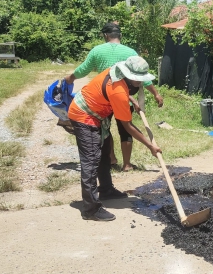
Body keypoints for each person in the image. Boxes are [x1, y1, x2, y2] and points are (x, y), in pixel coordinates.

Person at [68, 56, 162, 221]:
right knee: (91, 159)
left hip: (96, 114)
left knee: (104, 152)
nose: (140, 83)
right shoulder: (118, 90)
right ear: (130, 76)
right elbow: (128, 126)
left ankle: (106, 189)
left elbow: (119, 91)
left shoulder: (117, 72)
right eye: (139, 80)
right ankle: (91, 209)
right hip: (84, 115)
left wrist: (130, 98)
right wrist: (150, 146)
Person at [65, 22, 164, 171]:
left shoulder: (97, 50)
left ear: (105, 35)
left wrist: (71, 78)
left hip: (108, 100)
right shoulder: (130, 52)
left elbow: (84, 69)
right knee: (125, 128)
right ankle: (127, 164)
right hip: (113, 98)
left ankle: (111, 158)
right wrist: (156, 93)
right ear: (120, 36)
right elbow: (142, 79)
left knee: (106, 128)